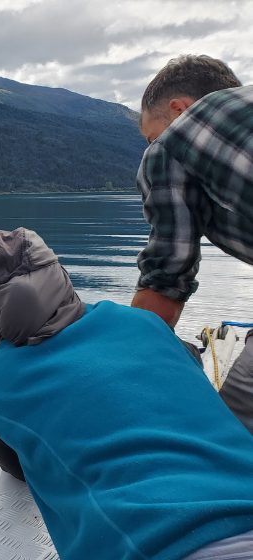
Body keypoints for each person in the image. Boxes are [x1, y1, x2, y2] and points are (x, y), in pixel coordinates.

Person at [0, 227, 253, 560]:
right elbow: (190, 370)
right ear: (59, 274)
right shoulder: (145, 323)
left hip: (157, 546)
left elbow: (16, 469)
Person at [129, 54, 253, 432]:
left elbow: (167, 278)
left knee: (231, 432)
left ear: (179, 109)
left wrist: (122, 352)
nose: (152, 146)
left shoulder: (175, 141)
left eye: (151, 136)